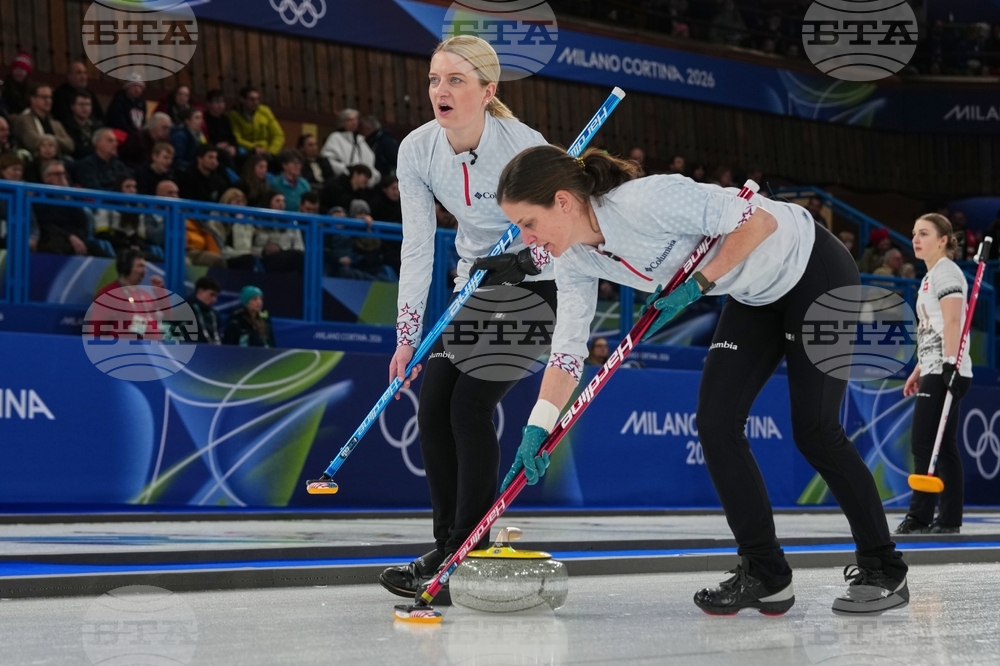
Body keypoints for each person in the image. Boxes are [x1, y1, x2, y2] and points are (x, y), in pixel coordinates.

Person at [493, 144, 909, 616]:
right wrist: (538, 427)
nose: (527, 240)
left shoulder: (646, 201)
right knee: (716, 423)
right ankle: (766, 572)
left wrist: (699, 284)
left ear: (563, 202)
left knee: (815, 430)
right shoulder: (572, 260)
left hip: (813, 268)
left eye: (528, 223)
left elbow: (758, 223)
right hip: (752, 293)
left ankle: (883, 567)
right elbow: (568, 352)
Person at [376, 35, 554, 605]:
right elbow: (417, 247)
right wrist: (406, 337)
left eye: (455, 80)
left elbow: (566, 238)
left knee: (469, 406)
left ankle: (462, 554)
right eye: (434, 79)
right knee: (433, 409)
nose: (440, 91)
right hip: (473, 289)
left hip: (532, 288)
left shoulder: (524, 148)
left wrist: (525, 256)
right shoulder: (417, 149)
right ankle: (445, 549)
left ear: (487, 91)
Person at [896, 214, 974, 536]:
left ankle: (920, 518)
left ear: (943, 240)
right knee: (944, 445)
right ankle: (950, 519)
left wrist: (949, 367)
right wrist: (918, 369)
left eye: (924, 233)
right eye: (914, 233)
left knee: (924, 442)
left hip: (946, 368)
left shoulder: (946, 273)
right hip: (933, 366)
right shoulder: (929, 277)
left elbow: (953, 322)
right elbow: (932, 330)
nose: (915, 239)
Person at [34, 161, 111, 257]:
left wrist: (68, 197)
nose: (62, 177)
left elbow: (81, 221)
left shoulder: (72, 195)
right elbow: (45, 224)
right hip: (53, 238)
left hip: (77, 237)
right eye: (57, 174)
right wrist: (69, 236)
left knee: (105, 256)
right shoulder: (39, 198)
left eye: (63, 173)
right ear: (46, 178)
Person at [321, 108, 381, 185]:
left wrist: (372, 176)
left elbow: (370, 162)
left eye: (355, 120)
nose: (353, 122)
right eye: (349, 120)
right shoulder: (335, 138)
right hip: (343, 183)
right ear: (342, 122)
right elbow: (328, 160)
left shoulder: (360, 140)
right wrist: (346, 171)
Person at [12, 84, 74, 155]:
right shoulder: (24, 120)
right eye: (44, 97)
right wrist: (55, 140)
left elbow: (70, 145)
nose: (48, 101)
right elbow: (32, 141)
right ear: (33, 99)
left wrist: (51, 138)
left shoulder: (55, 122)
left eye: (50, 97)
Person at [93, 175, 150, 253]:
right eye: (128, 187)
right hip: (113, 246)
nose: (132, 190)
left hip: (133, 248)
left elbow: (141, 236)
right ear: (119, 187)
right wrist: (126, 244)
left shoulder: (139, 208)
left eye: (134, 187)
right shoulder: (106, 205)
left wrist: (136, 246)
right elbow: (102, 234)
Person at [227, 86, 285, 158]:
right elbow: (237, 138)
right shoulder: (234, 115)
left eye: (257, 99)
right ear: (242, 100)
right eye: (252, 99)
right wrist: (254, 148)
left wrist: (271, 152)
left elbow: (278, 135)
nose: (256, 102)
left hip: (266, 150)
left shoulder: (265, 111)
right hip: (247, 151)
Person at [53, 61, 105, 127]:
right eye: (79, 73)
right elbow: (62, 117)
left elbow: (99, 116)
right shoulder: (60, 93)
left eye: (85, 73)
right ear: (70, 76)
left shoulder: (89, 93)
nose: (83, 77)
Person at [62, 92, 103, 160]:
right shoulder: (66, 125)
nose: (85, 108)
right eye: (81, 104)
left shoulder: (97, 126)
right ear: (73, 107)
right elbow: (74, 148)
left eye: (87, 104)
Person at [186, 276, 223, 344]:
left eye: (216, 296)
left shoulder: (214, 314)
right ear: (200, 292)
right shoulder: (184, 309)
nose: (215, 299)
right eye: (212, 294)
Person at [203, 90, 238, 159]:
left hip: (228, 146)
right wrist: (216, 145)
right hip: (213, 148)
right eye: (217, 102)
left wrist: (233, 146)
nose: (220, 105)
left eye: (222, 102)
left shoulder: (225, 118)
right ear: (208, 104)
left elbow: (232, 136)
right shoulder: (205, 119)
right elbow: (205, 138)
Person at [2, 51, 33, 116]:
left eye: (21, 69)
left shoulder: (31, 88)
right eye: (15, 69)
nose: (18, 72)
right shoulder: (5, 87)